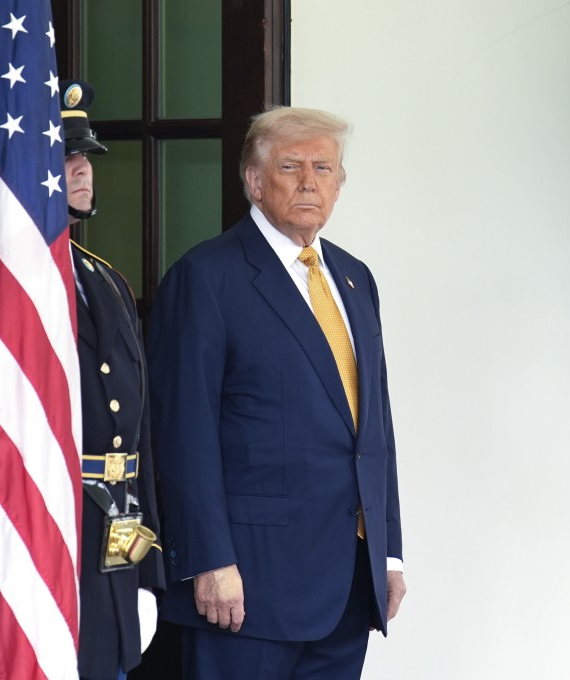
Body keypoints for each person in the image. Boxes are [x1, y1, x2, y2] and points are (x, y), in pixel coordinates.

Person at [148, 106, 405, 680]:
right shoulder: (206, 276)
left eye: (323, 168)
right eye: (291, 167)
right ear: (255, 181)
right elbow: (184, 434)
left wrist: (387, 552)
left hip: (347, 587)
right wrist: (209, 559)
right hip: (245, 589)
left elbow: (374, 428)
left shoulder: (355, 278)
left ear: (339, 183)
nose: (309, 182)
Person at [64, 79, 165, 680]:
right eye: (64, 157)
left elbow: (137, 440)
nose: (82, 169)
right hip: (42, 543)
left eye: (86, 157)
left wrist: (147, 569)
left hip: (114, 551)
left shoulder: (105, 281)